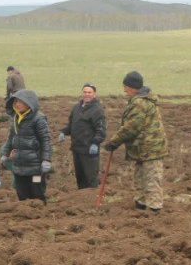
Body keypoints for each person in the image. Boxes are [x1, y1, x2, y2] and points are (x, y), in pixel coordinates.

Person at [105, 71, 168, 212]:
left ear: (133, 87)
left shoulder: (140, 103)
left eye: (126, 86)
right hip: (143, 149)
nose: (124, 90)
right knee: (140, 178)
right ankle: (141, 205)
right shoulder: (140, 100)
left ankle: (154, 210)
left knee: (152, 180)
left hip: (151, 149)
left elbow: (131, 127)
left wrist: (114, 142)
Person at [0, 89, 52, 203]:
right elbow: (10, 138)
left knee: (37, 193)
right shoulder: (15, 118)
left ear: (29, 103)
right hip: (19, 165)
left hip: (35, 167)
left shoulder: (39, 119)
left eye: (21, 102)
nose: (17, 104)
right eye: (16, 101)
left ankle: (41, 217)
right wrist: (4, 154)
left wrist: (46, 160)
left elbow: (45, 140)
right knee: (22, 194)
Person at [58, 83, 106, 189]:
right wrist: (63, 132)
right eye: (85, 92)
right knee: (80, 178)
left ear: (94, 94)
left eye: (89, 92)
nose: (87, 94)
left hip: (89, 151)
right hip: (77, 149)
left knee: (91, 178)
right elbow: (72, 125)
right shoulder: (77, 107)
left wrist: (95, 143)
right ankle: (82, 201)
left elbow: (101, 130)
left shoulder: (97, 110)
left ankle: (92, 200)